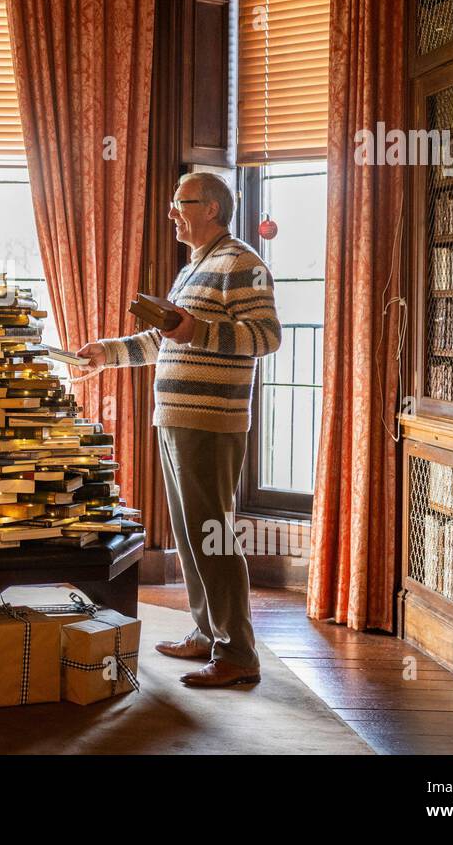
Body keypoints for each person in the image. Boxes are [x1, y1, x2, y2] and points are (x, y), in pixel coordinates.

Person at [77, 172, 281, 688]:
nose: (171, 211)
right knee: (190, 535)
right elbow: (164, 341)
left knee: (211, 534)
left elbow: (266, 337)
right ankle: (206, 630)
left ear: (210, 208)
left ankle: (237, 653)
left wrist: (195, 330)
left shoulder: (241, 263)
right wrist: (107, 354)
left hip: (210, 421)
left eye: (180, 202)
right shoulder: (196, 267)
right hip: (176, 417)